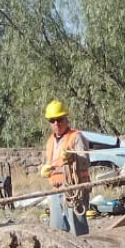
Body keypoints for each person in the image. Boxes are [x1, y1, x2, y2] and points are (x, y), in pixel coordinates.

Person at [39, 100, 91, 235]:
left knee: (77, 229)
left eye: (59, 119)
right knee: (57, 230)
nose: (56, 123)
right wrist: (45, 169)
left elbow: (85, 162)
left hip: (74, 190)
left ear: (66, 119)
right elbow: (49, 162)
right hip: (56, 191)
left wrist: (72, 157)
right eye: (52, 120)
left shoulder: (76, 137)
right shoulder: (50, 141)